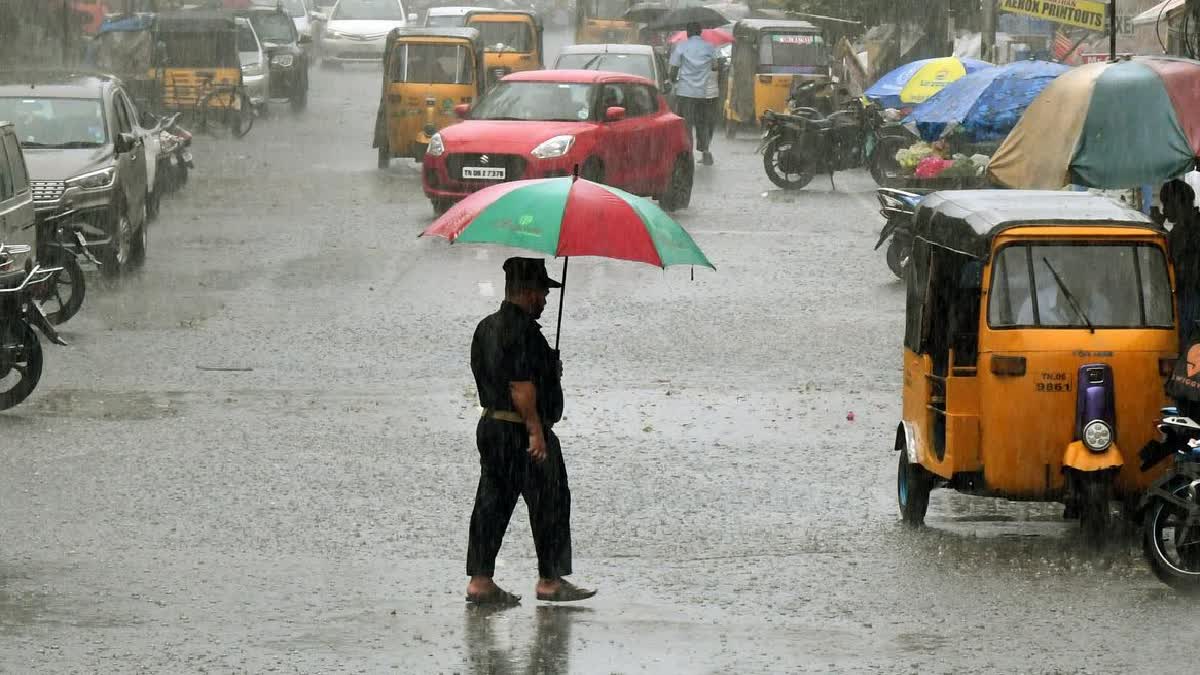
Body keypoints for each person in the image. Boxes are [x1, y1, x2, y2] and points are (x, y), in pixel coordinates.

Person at [465, 257, 596, 605]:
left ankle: (480, 581)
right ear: (525, 291)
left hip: (492, 428)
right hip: (523, 433)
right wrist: (536, 432)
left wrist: (549, 366)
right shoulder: (522, 332)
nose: (546, 299)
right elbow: (521, 387)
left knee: (491, 503)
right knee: (549, 501)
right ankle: (550, 581)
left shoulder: (486, 327)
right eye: (542, 291)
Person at [1154, 179, 1200, 348]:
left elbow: (1178, 257)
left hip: (1192, 293)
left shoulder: (1193, 227)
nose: (1164, 209)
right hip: (1184, 293)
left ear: (1179, 203)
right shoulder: (1179, 229)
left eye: (1166, 203)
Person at [669, 22, 719, 166]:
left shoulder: (682, 47)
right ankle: (706, 152)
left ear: (688, 33)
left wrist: (674, 79)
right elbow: (715, 67)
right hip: (702, 94)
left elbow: (673, 72)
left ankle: (687, 154)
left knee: (686, 125)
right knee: (702, 123)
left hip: (685, 92)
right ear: (700, 32)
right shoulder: (709, 47)